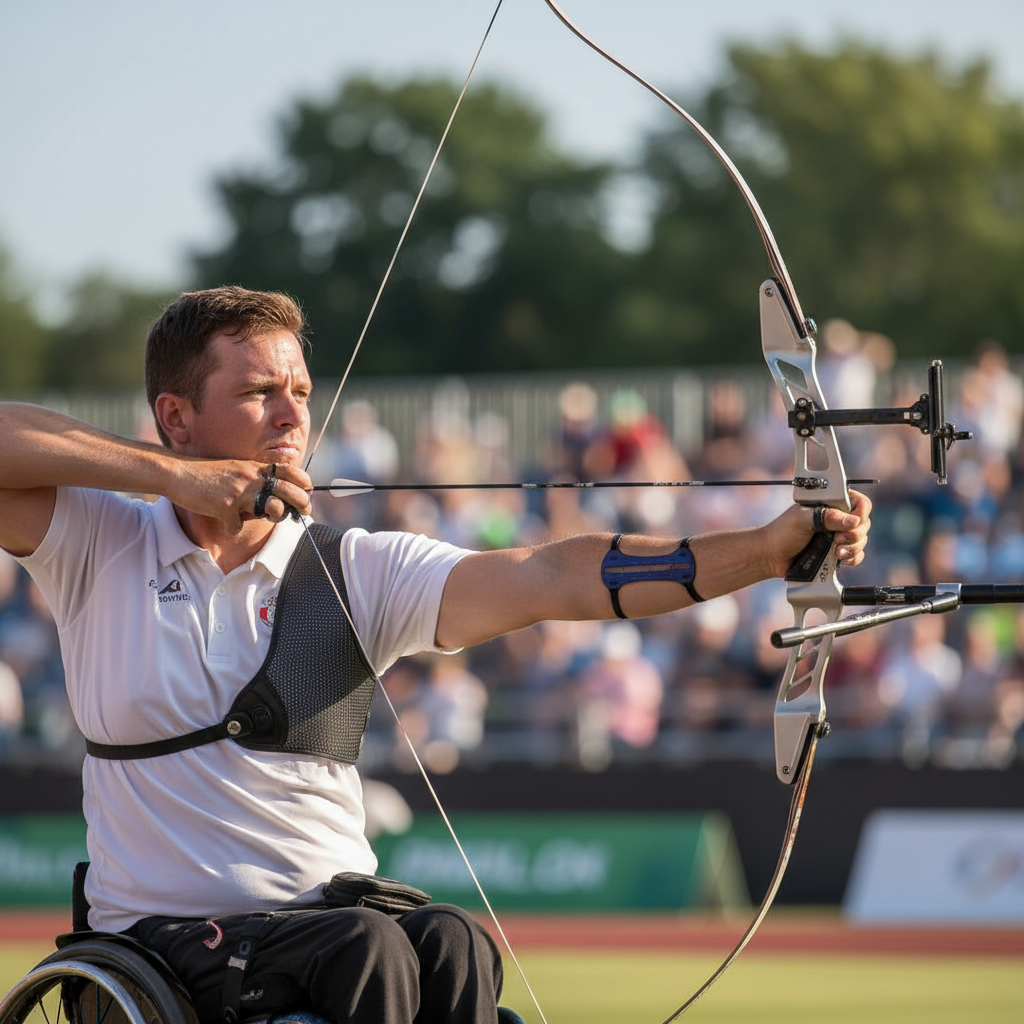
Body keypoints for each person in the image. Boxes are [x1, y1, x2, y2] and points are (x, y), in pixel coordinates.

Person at [0, 286, 871, 1024]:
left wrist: (763, 550)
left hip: (321, 927)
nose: (294, 412)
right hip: (163, 947)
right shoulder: (99, 539)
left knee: (452, 941)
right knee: (369, 948)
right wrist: (173, 480)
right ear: (175, 418)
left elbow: (552, 576)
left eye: (301, 388)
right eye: (260, 390)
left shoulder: (354, 569)